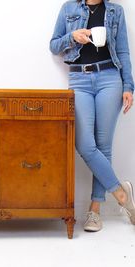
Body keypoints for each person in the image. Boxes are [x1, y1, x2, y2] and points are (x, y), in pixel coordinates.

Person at [49, 0, 135, 232]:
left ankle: (94, 211)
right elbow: (54, 45)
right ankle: (122, 193)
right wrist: (71, 37)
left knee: (103, 146)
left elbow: (124, 51)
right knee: (85, 144)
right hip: (79, 78)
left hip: (109, 77)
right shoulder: (69, 8)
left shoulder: (116, 11)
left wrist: (128, 86)